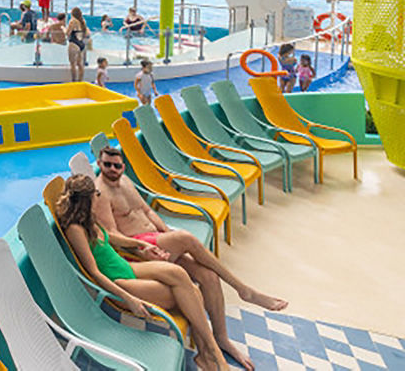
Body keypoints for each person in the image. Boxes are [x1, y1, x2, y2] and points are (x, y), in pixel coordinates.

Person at [93, 147, 286, 370]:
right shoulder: (100, 193)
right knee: (186, 238)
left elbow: (146, 210)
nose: (112, 169)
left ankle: (218, 342)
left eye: (116, 165)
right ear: (99, 163)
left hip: (157, 240)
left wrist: (167, 235)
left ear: (123, 167)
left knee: (209, 276)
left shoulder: (125, 181)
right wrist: (146, 247)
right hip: (140, 251)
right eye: (107, 164)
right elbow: (112, 235)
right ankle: (243, 289)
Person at [57, 173, 233, 371]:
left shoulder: (89, 220)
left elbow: (114, 240)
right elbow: (95, 273)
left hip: (127, 267)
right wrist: (129, 298)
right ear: (86, 199)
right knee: (187, 294)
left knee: (180, 275)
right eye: (95, 194)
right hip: (119, 282)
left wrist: (141, 244)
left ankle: (207, 354)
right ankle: (213, 354)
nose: (98, 197)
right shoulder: (75, 229)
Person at [66, 7, 90, 82]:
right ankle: (80, 81)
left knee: (73, 64)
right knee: (80, 64)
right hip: (81, 44)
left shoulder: (73, 21)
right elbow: (86, 34)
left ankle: (74, 81)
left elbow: (68, 33)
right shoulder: (83, 21)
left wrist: (64, 29)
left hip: (74, 43)